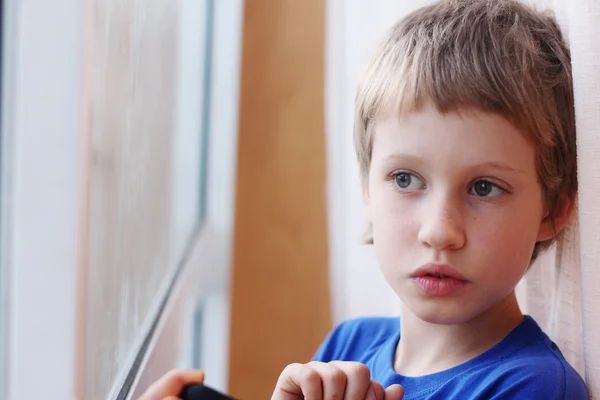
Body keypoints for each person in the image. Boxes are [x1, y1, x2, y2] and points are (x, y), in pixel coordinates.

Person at [140, 0, 589, 398]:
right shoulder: (347, 348)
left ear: (553, 210)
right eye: (406, 179)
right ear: (366, 190)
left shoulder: (533, 386)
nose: (439, 231)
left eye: (484, 188)